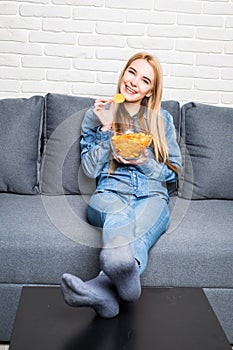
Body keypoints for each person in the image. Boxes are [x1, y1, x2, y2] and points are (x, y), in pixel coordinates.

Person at [61, 52, 182, 318]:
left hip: (151, 194)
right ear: (123, 73)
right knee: (119, 215)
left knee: (136, 226)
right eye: (132, 72)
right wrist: (109, 130)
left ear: (150, 91)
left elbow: (175, 173)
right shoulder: (97, 115)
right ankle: (120, 278)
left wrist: (145, 161)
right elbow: (89, 169)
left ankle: (103, 292)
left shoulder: (162, 120)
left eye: (145, 80)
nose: (134, 82)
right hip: (110, 192)